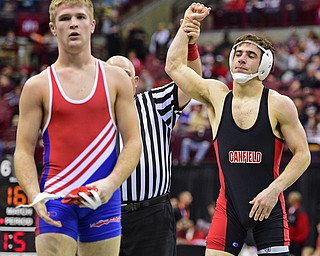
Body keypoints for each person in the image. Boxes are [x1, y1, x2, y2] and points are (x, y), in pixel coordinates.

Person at [165, 3, 311, 256]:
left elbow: (303, 154)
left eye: (250, 55)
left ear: (264, 65)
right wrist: (186, 27)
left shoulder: (278, 104)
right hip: (228, 208)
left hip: (269, 206)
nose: (241, 58)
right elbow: (174, 67)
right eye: (238, 53)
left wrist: (274, 190)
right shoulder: (217, 95)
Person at [13, 1, 141, 256]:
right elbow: (23, 151)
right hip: (55, 198)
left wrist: (110, 184)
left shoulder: (116, 79)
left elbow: (134, 142)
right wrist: (33, 194)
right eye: (65, 18)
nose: (73, 23)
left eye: (81, 17)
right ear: (52, 28)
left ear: (92, 25)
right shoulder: (37, 86)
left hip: (102, 197)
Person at [106, 17, 203, 256]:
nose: (117, 79)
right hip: (103, 215)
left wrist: (190, 46)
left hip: (151, 216)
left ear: (135, 82)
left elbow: (192, 82)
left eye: (124, 74)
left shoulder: (154, 102)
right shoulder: (89, 113)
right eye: (111, 74)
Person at [287, 191, 310, 256]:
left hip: (297, 242)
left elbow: (303, 228)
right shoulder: (290, 210)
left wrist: (298, 240)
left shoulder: (300, 212)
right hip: (290, 240)